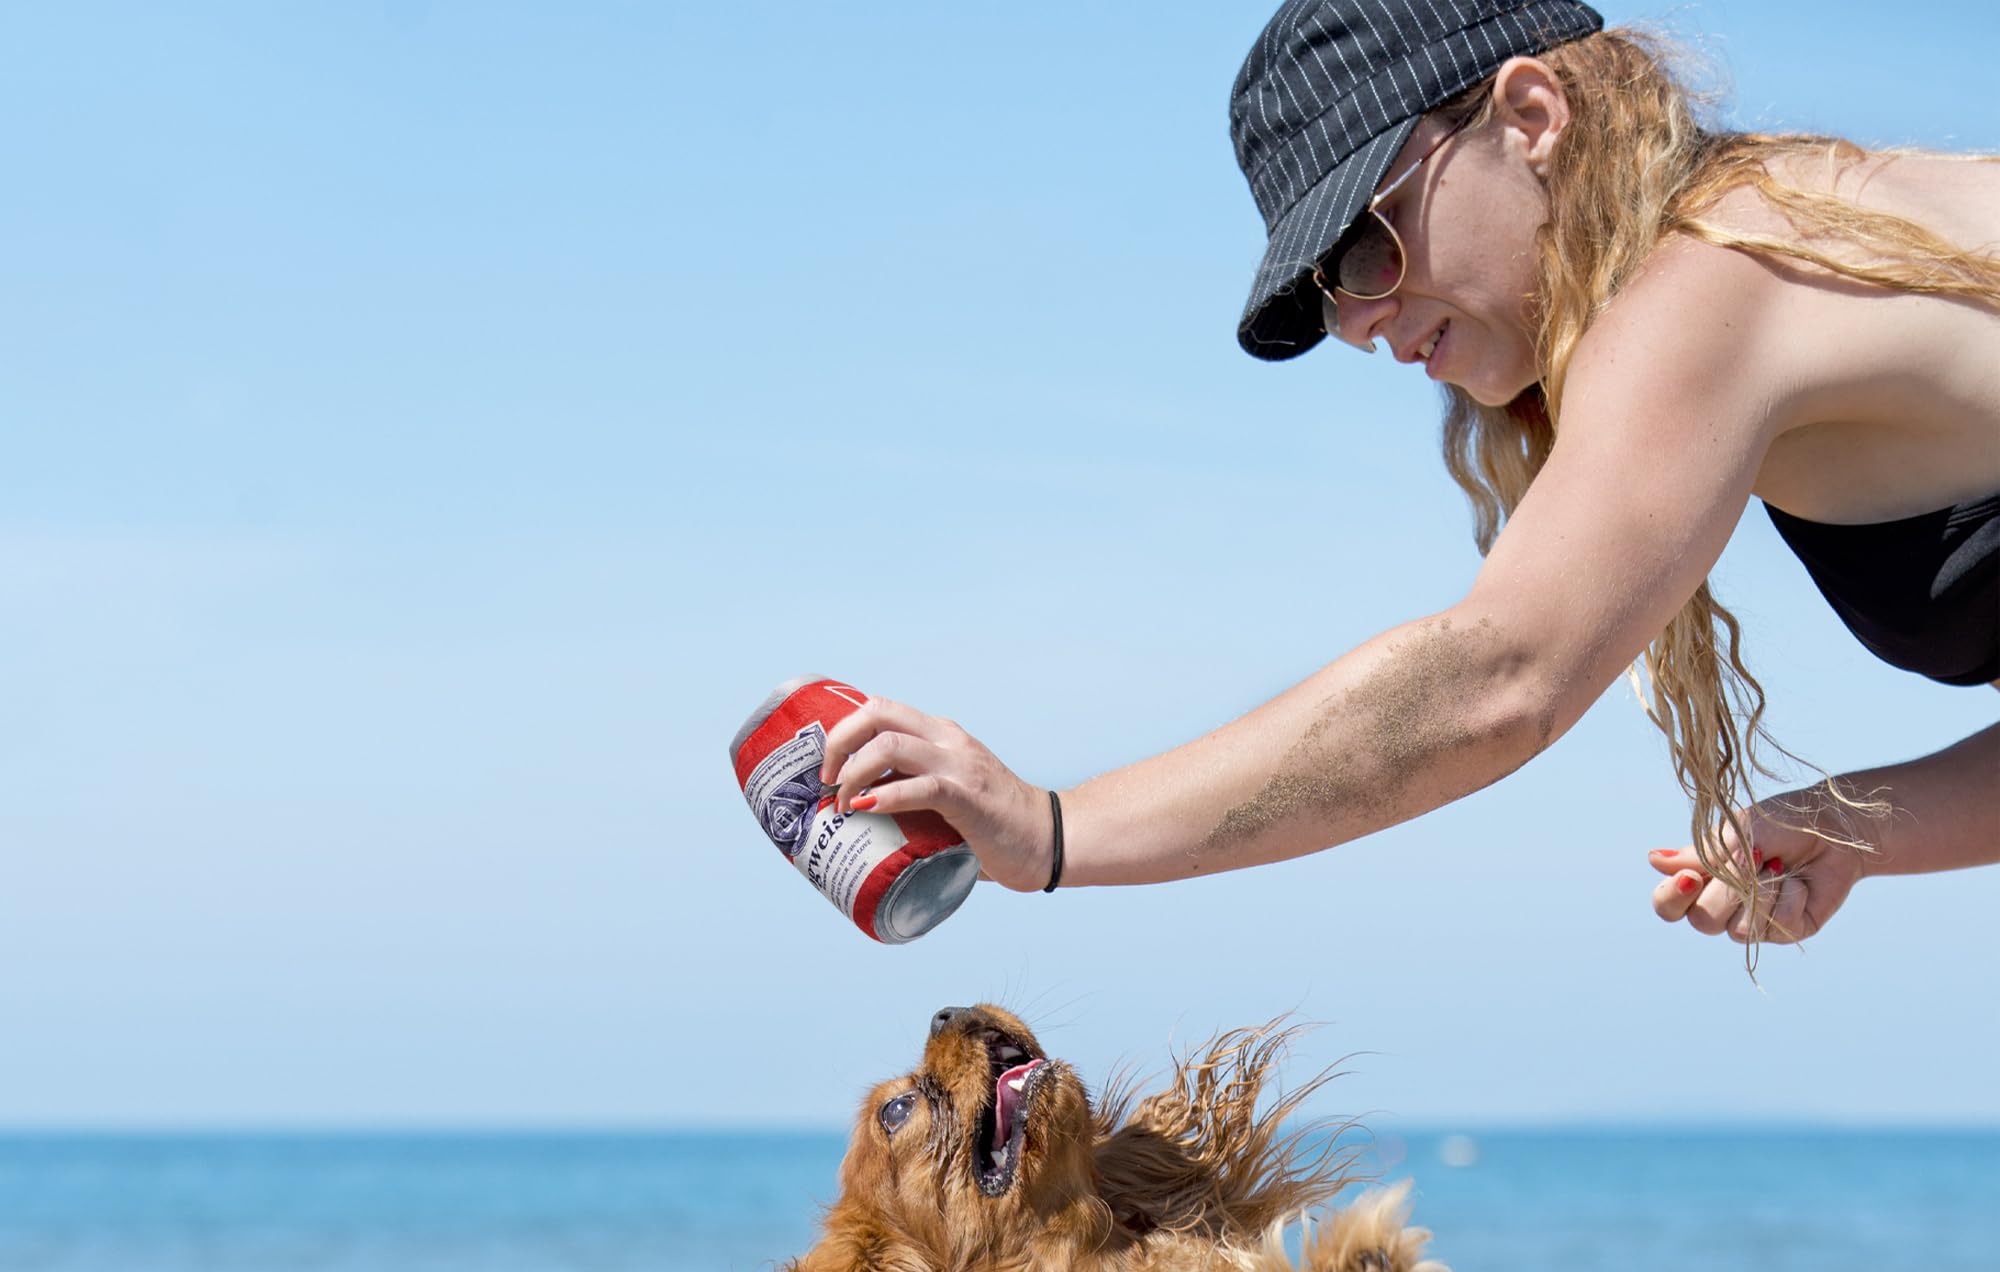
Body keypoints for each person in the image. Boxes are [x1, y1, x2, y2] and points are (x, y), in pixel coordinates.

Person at [818, 0, 1999, 959]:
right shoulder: (1788, 234)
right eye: (1328, 291)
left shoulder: (1712, 277)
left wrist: (1051, 829)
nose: (1365, 322)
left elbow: (1497, 677)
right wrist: (1852, 826)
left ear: (1528, 114)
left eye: (1370, 244)